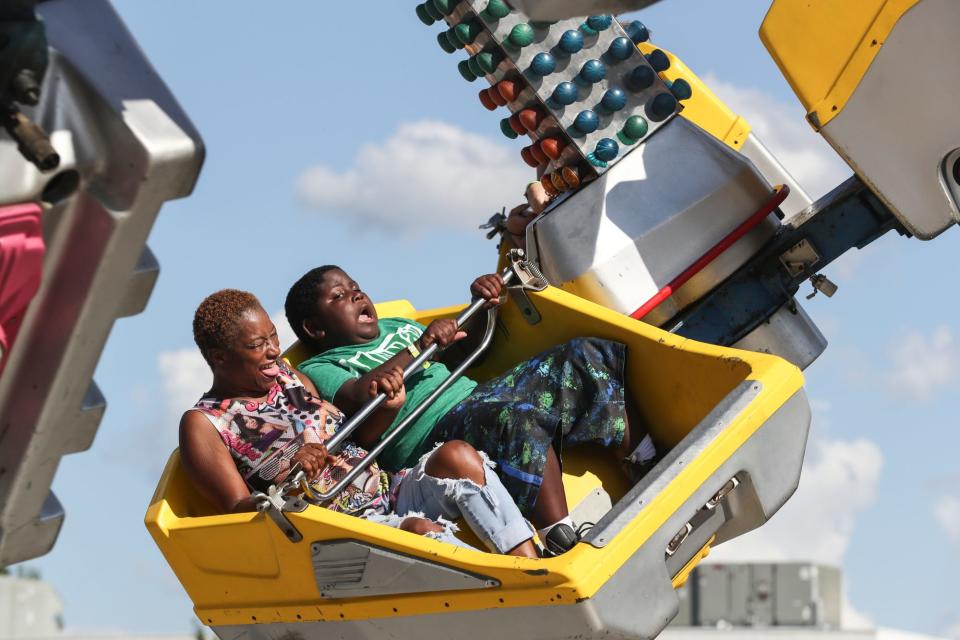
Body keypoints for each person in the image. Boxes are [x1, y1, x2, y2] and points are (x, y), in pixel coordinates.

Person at [285, 268, 660, 555]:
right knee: (514, 416)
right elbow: (359, 395)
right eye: (340, 296)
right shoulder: (323, 365)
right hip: (432, 433)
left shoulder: (395, 326)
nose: (357, 295)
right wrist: (420, 346)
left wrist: (480, 303)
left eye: (355, 288)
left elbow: (463, 349)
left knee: (582, 354)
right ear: (315, 328)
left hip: (476, 396)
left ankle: (643, 461)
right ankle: (558, 535)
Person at [178, 289, 538, 558]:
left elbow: (357, 439)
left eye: (273, 337)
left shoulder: (288, 377)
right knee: (417, 530)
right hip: (336, 530)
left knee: (456, 456)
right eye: (259, 345)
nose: (274, 350)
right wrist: (291, 473)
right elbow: (239, 513)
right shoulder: (205, 423)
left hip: (386, 491)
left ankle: (531, 567)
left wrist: (387, 408)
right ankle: (511, 588)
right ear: (220, 357)